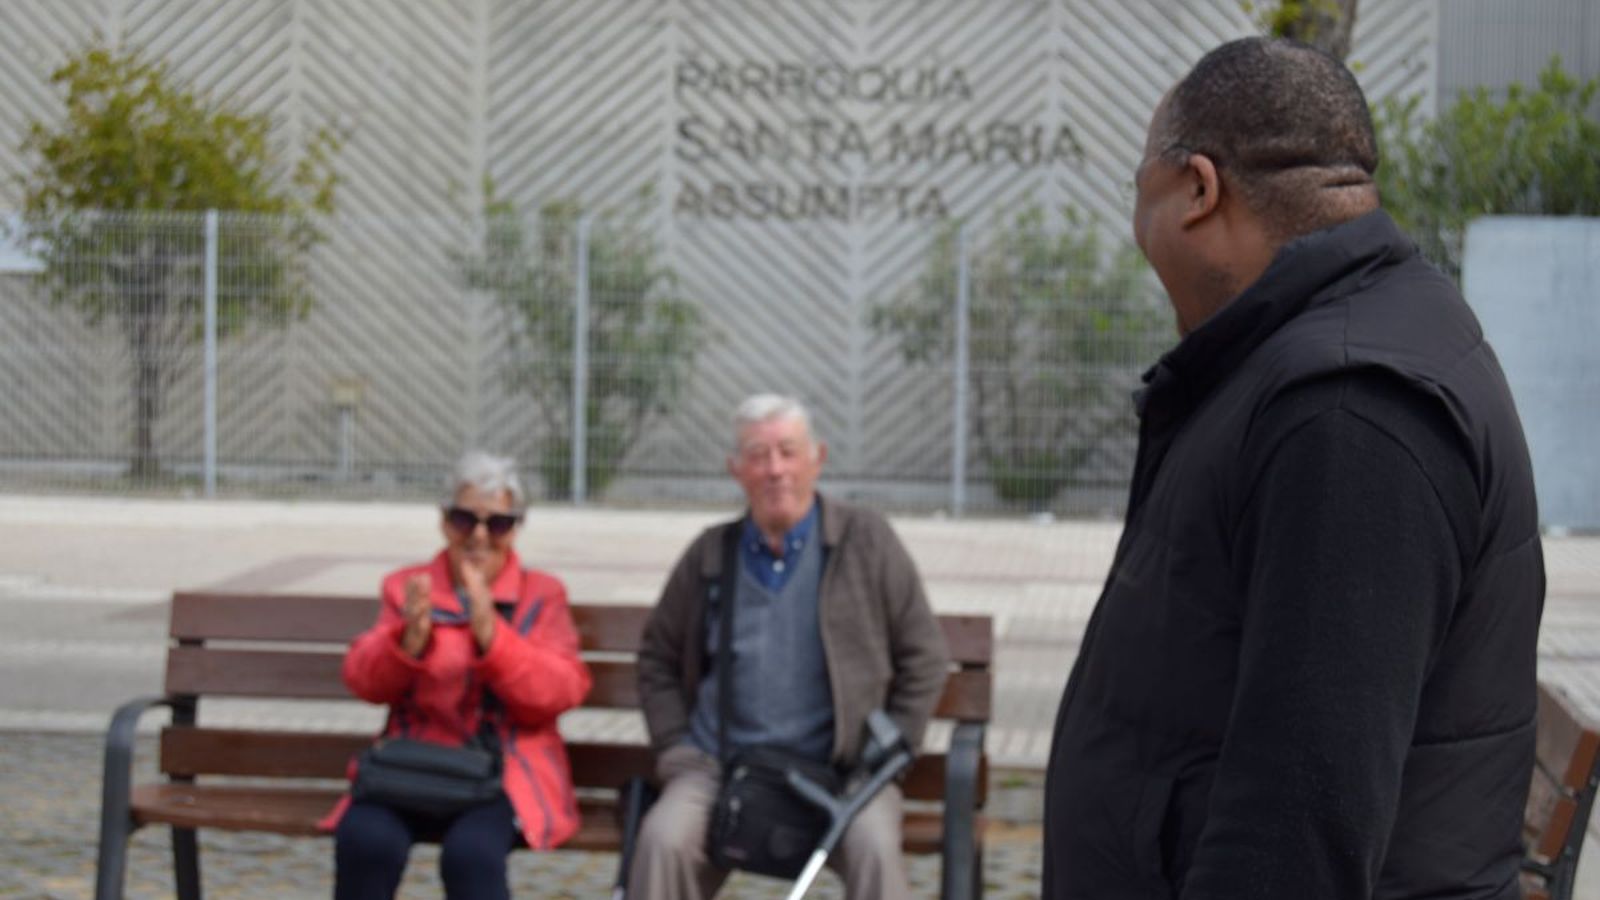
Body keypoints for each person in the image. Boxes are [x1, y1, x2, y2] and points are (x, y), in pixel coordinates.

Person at [1042, 37, 1545, 900]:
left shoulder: (1346, 412)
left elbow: (1297, 832)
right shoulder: (1302, 366)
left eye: (1142, 191)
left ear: (1199, 190)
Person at [628, 393, 950, 900]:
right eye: (758, 455)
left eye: (788, 451)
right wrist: (675, 748)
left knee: (874, 850)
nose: (775, 469)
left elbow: (925, 657)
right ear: (736, 469)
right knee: (663, 840)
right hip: (721, 768)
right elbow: (657, 660)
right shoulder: (710, 553)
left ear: (817, 458)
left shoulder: (866, 540)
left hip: (844, 775)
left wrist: (889, 755)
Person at [321, 451, 592, 899]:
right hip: (412, 765)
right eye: (465, 520)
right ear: (445, 522)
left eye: (498, 524)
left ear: (516, 528)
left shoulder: (541, 595)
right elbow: (363, 681)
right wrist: (406, 644)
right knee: (366, 842)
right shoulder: (409, 588)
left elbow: (557, 693)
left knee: (471, 856)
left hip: (505, 772)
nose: (480, 537)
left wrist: (493, 638)